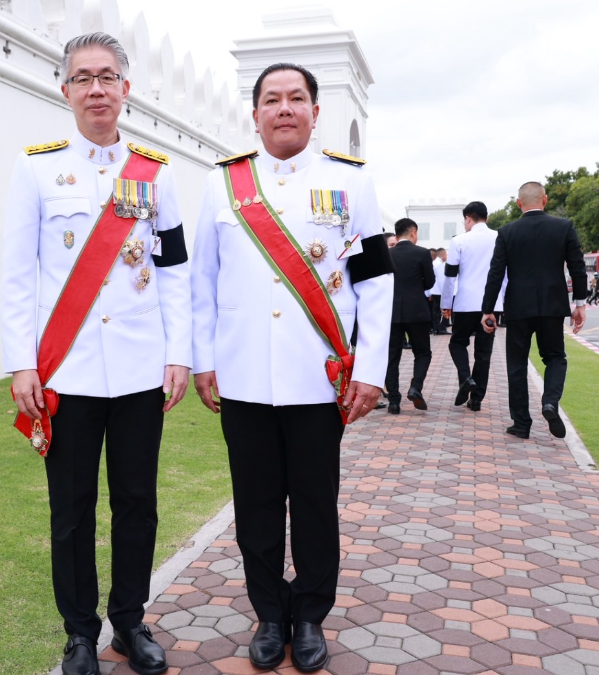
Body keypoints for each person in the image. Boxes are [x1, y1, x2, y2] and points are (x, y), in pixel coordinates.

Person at [190, 63, 393, 672]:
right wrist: (203, 361)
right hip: (244, 376)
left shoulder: (352, 182)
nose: (285, 108)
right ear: (255, 115)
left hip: (316, 378)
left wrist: (372, 369)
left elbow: (375, 283)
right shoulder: (223, 184)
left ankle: (308, 616)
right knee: (254, 507)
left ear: (315, 111)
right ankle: (269, 615)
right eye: (272, 99)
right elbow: (203, 281)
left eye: (297, 98)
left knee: (314, 505)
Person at [1, 32, 192, 675]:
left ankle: (130, 622)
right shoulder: (35, 168)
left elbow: (174, 271)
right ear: (65, 90)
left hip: (140, 368)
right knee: (72, 510)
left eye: (107, 76)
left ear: (126, 88)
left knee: (137, 503)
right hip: (69, 370)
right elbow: (17, 276)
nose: (96, 89)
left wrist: (179, 353)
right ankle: (80, 633)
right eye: (83, 78)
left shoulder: (156, 172)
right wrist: (21, 362)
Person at [481, 181, 586, 440]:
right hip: (552, 304)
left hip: (518, 306)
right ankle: (549, 401)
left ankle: (521, 423)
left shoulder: (507, 231)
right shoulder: (564, 227)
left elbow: (496, 273)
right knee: (555, 357)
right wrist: (580, 304)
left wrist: (488, 310)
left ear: (519, 203)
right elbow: (577, 266)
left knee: (516, 363)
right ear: (545, 200)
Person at [440, 202, 505, 411]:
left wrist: (446, 303)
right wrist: (504, 301)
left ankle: (466, 377)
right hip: (492, 304)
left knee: (457, 343)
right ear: (486, 217)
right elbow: (506, 274)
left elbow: (450, 276)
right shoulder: (500, 237)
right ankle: (476, 400)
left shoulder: (459, 240)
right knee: (484, 352)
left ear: (468, 218)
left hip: (466, 303)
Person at [385, 218, 435, 414]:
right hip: (417, 310)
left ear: (397, 234)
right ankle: (415, 387)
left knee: (392, 356)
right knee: (422, 353)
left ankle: (393, 401)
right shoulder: (422, 253)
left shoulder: (388, 254)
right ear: (413, 232)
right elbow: (430, 282)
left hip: (392, 311)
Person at [429, 247, 449, 335]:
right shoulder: (439, 264)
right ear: (443, 255)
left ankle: (436, 328)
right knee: (439, 311)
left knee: (435, 310)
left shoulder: (435, 263)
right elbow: (441, 280)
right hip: (439, 291)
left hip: (436, 290)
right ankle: (439, 329)